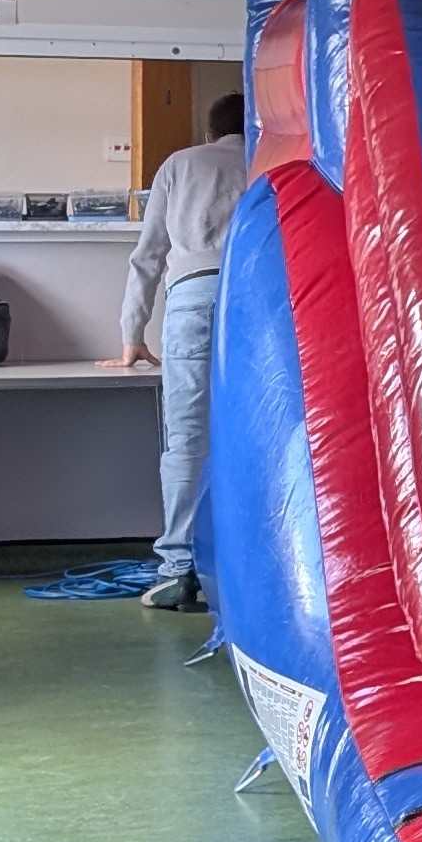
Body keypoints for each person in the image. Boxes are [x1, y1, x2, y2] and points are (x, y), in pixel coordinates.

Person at [104, 93, 248, 610]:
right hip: (258, 302)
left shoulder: (180, 165)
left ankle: (178, 570)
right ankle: (248, 569)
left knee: (187, 436)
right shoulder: (275, 161)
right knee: (259, 432)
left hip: (193, 298)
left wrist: (132, 337)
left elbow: (147, 257)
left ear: (210, 133)